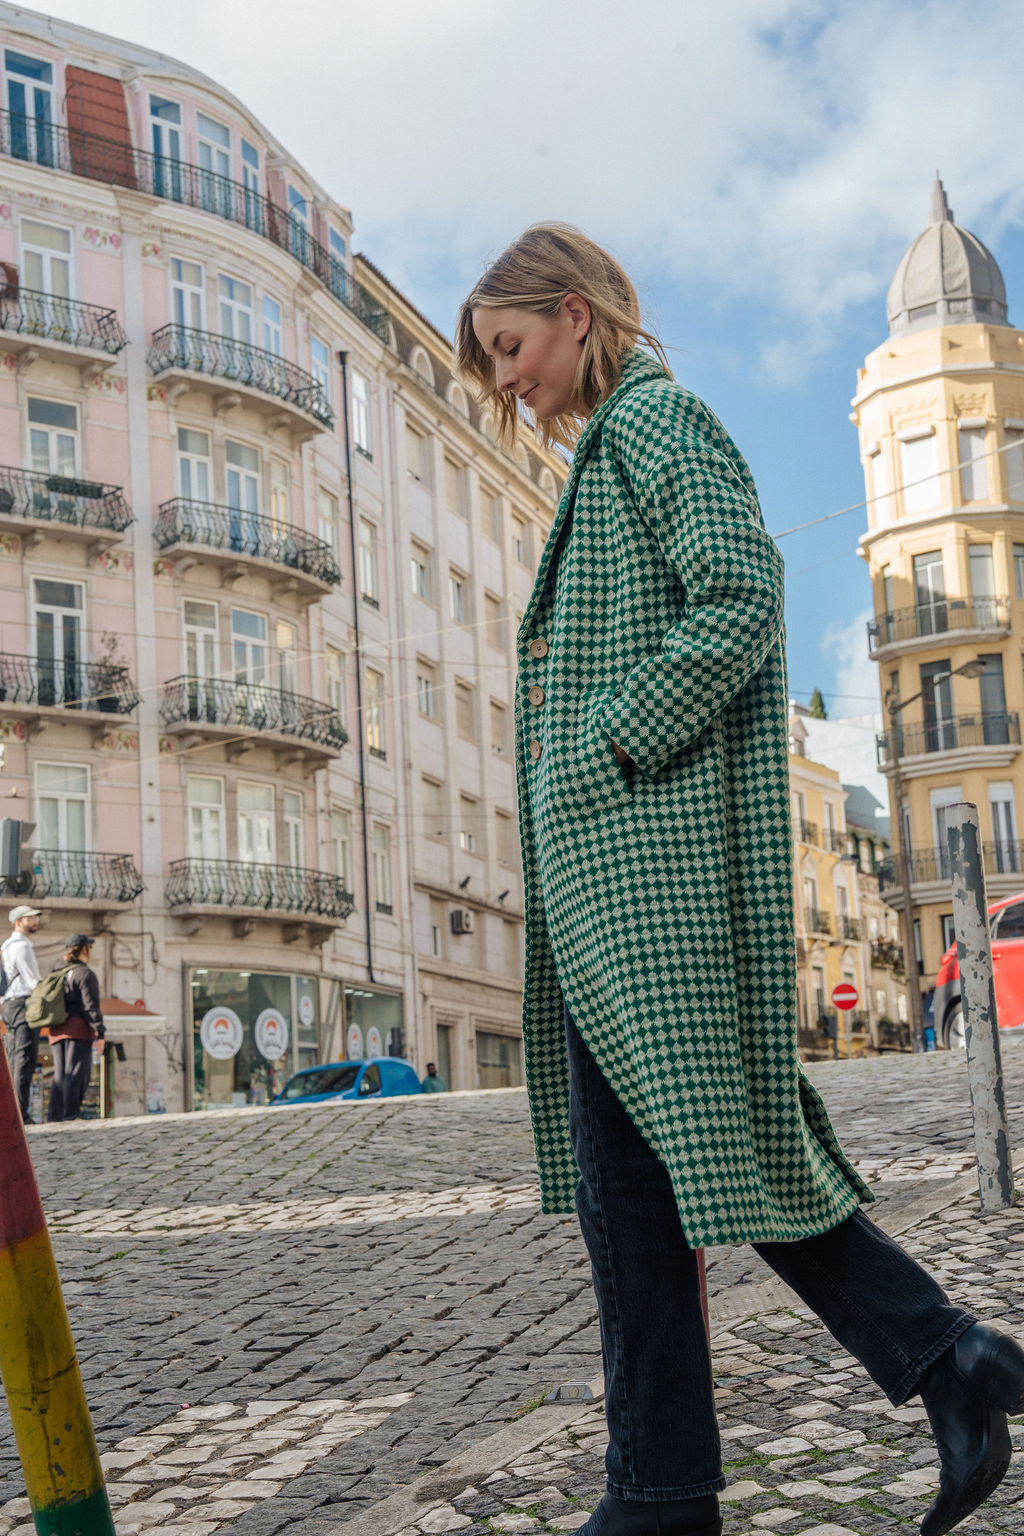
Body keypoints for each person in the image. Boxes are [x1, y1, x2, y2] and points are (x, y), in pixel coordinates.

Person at [455, 224, 1024, 1536]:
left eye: (513, 346)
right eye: (489, 360)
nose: (506, 379)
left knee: (686, 1171)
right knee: (652, 1189)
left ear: (579, 316)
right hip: (618, 897)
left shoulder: (658, 427)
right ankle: (889, 1393)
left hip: (652, 895)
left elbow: (741, 598)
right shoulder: (611, 450)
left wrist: (603, 736)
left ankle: (710, 1474)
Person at [47, 934, 104, 1123]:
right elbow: (91, 1007)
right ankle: (71, 1114)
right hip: (78, 1029)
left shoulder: (58, 971)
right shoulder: (84, 974)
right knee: (77, 1072)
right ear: (84, 949)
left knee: (60, 1073)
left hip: (56, 1029)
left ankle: (55, 1115)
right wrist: (100, 1032)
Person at [1, 904, 43, 1123]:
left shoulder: (6, 946)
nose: (35, 922)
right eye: (30, 919)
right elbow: (32, 979)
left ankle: (14, 1113)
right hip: (24, 1004)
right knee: (24, 1059)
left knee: (15, 1058)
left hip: (9, 1004)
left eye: (35, 918)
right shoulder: (22, 947)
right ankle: (20, 1114)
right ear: (18, 922)